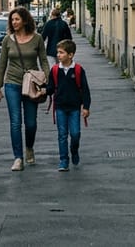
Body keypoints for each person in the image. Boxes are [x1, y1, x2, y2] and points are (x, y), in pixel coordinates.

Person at [0, 6, 49, 171]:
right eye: (12, 19)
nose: (14, 22)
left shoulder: (37, 38)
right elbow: (2, 65)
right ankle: (18, 157)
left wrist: (47, 82)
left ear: (24, 20)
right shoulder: (7, 40)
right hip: (12, 83)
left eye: (17, 19)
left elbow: (44, 61)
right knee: (15, 122)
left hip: (31, 84)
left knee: (31, 123)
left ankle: (29, 147)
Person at [48, 39, 91, 171]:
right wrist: (41, 90)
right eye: (58, 52)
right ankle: (63, 160)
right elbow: (50, 88)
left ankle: (74, 150)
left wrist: (86, 107)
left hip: (74, 108)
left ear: (70, 55)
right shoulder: (55, 70)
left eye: (61, 52)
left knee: (75, 133)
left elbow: (85, 89)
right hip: (60, 107)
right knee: (62, 134)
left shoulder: (78, 70)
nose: (58, 55)